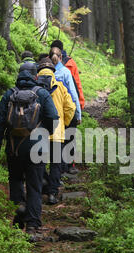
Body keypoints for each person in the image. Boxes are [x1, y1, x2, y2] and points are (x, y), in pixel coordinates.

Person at [0, 62, 59, 239]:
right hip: (37, 147)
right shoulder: (42, 94)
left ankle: (19, 208)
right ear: (36, 76)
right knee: (35, 186)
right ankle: (32, 226)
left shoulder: (9, 94)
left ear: (19, 75)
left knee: (16, 180)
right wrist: (46, 133)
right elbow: (53, 117)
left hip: (14, 147)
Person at [37, 57, 76, 205]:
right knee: (55, 163)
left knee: (39, 163)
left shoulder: (34, 88)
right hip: (57, 132)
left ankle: (43, 188)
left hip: (39, 133)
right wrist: (64, 123)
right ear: (53, 71)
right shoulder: (60, 86)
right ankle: (52, 194)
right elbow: (70, 107)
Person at [49, 47, 81, 175]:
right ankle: (66, 167)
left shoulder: (45, 72)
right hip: (65, 111)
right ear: (61, 57)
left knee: (54, 143)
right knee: (68, 138)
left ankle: (56, 173)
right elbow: (73, 93)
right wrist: (78, 113)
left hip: (50, 112)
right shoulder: (65, 72)